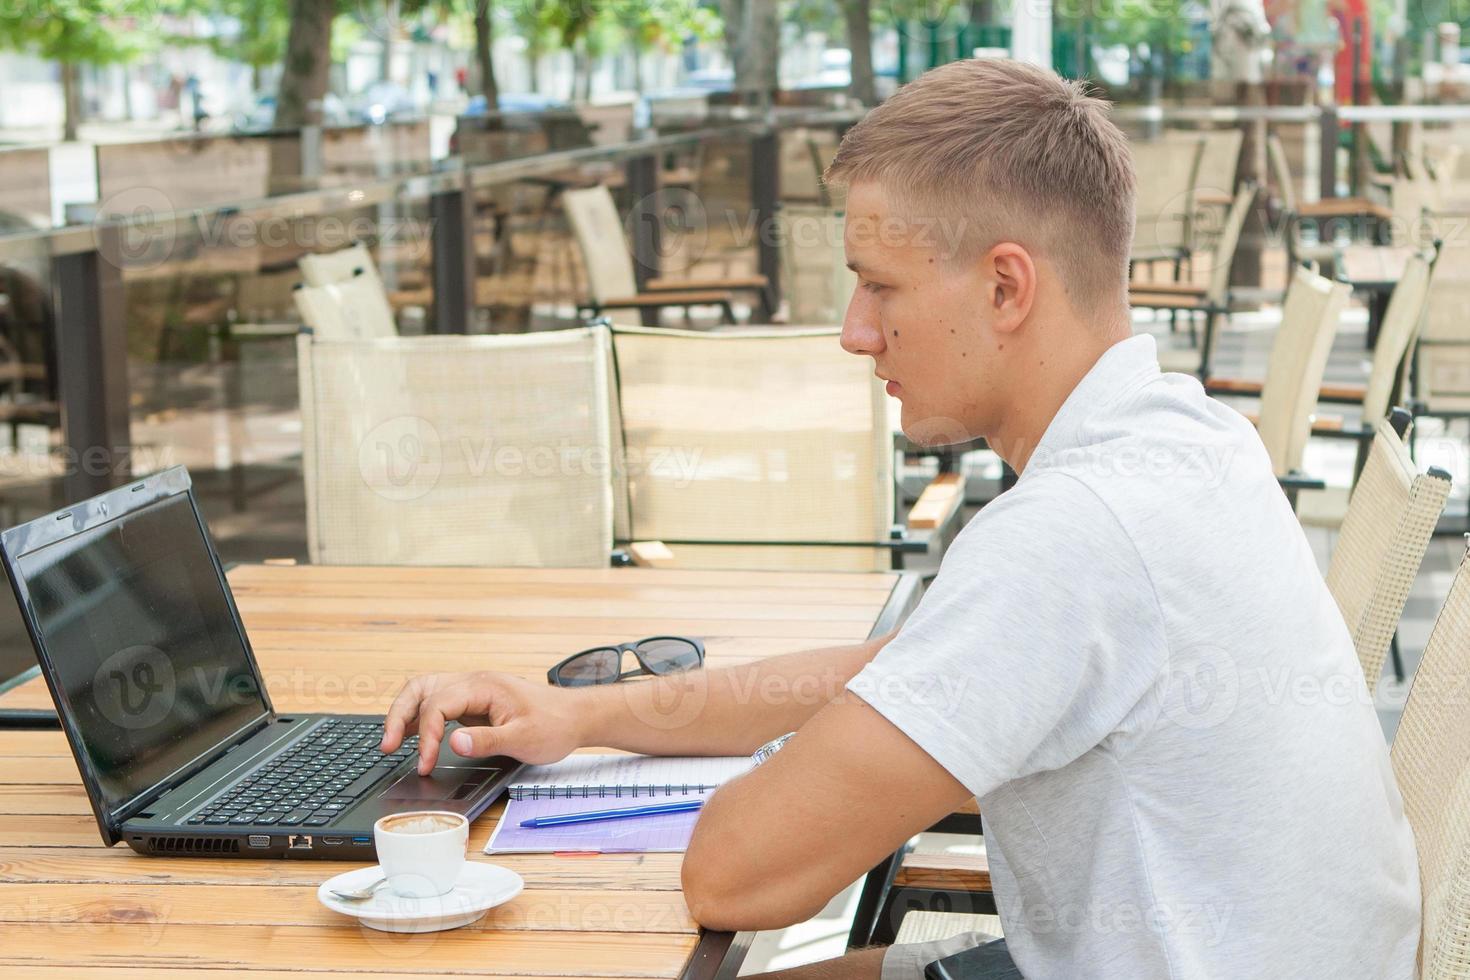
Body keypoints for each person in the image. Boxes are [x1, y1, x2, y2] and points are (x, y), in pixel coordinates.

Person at [379, 59, 1419, 978]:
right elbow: (903, 667)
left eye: (880, 287)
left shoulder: (1073, 536)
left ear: (1007, 286)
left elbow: (734, 879)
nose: (854, 332)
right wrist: (580, 715)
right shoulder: (1190, 439)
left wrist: (807, 774)